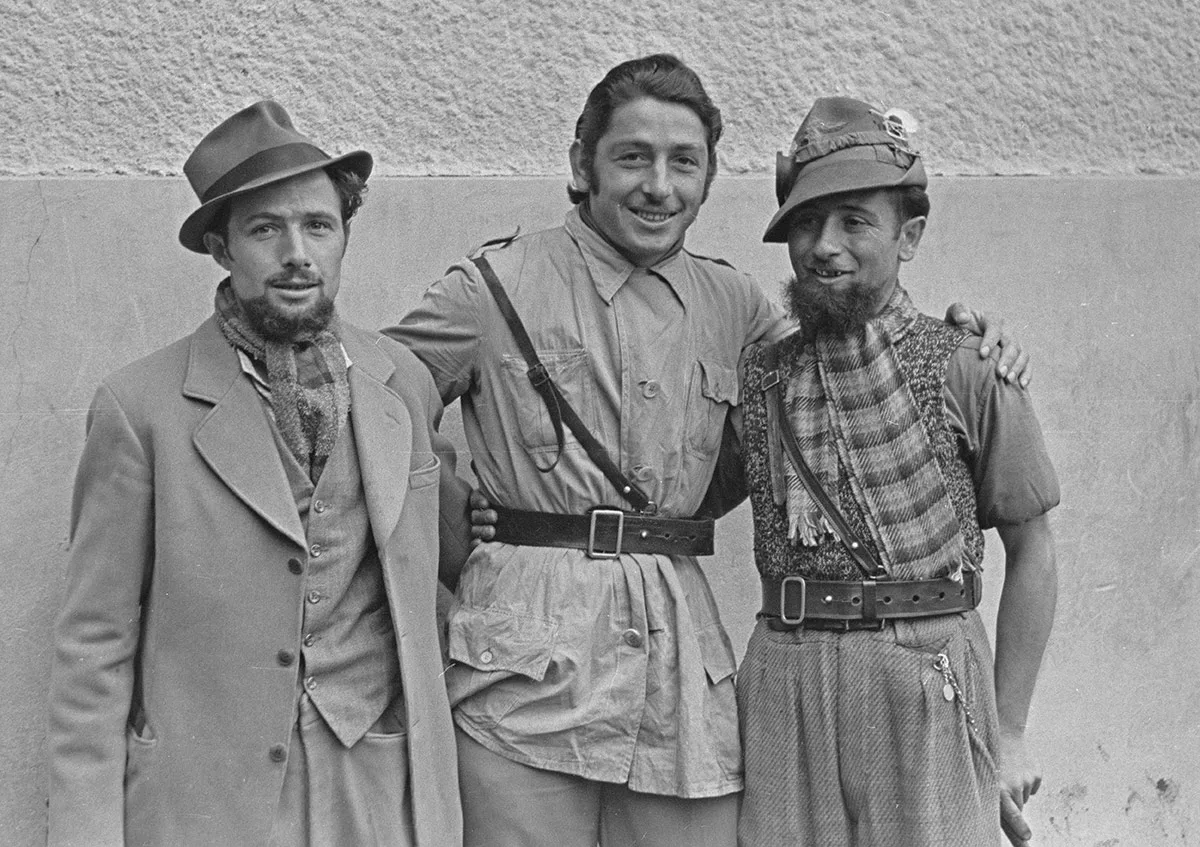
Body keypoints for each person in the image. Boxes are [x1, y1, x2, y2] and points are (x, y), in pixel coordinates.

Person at [392, 56, 1028, 847]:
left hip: (677, 681)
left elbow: (830, 385)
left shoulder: (736, 306)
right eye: (632, 157)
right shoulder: (492, 288)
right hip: (524, 672)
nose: (659, 186)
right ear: (580, 165)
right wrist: (458, 531)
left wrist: (967, 332)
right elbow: (379, 408)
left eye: (683, 163)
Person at [47, 101, 470, 847]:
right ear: (221, 248)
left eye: (318, 226)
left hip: (374, 777)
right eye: (265, 229)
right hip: (207, 796)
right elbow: (95, 641)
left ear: (344, 237)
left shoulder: (399, 379)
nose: (297, 252)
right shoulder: (138, 405)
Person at [734, 96, 1059, 846]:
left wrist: (1009, 730)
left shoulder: (969, 367)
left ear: (909, 236)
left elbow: (1034, 546)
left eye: (854, 221)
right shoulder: (760, 375)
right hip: (785, 674)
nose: (824, 246)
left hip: (928, 671)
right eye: (806, 224)